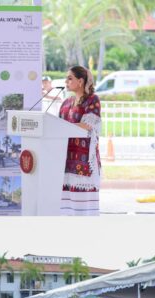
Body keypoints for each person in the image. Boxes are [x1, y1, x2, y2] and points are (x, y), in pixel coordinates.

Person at [58, 65, 102, 216]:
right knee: (66, 209)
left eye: (70, 78)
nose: (66, 82)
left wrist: (63, 126)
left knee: (84, 211)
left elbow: (87, 125)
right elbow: (57, 125)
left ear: (81, 81)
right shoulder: (66, 102)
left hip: (84, 161)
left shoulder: (92, 100)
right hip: (66, 159)